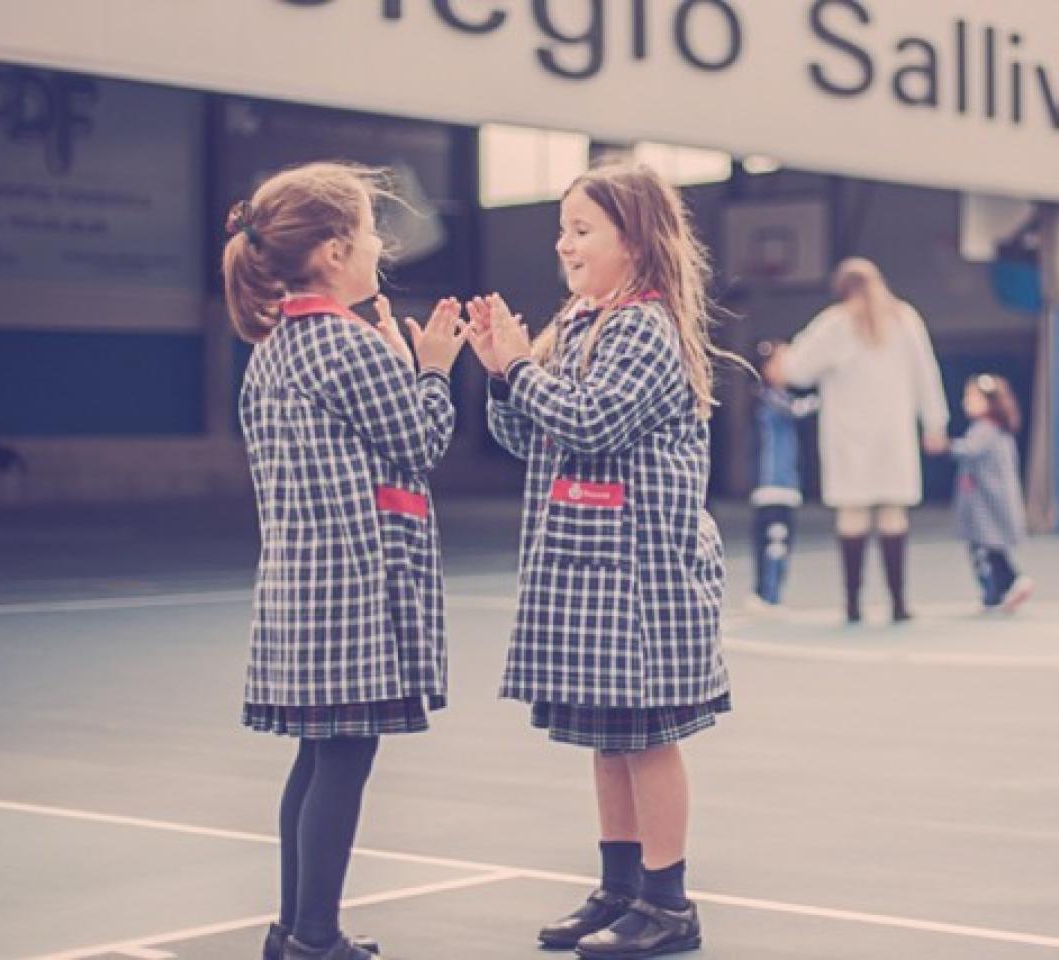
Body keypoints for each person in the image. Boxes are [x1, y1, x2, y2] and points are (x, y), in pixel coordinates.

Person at [467, 161, 733, 959]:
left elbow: (593, 423)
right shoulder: (581, 322)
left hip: (643, 574)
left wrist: (519, 369)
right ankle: (620, 887)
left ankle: (668, 902)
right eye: (563, 230)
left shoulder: (645, 328)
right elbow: (532, 438)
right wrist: (500, 376)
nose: (565, 244)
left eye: (583, 230)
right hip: (590, 573)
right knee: (608, 737)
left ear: (637, 240)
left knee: (649, 737)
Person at [225, 162, 467, 960]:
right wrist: (428, 362)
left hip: (300, 585)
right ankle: (316, 936)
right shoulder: (344, 344)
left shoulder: (273, 349)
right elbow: (422, 441)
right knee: (344, 759)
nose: (376, 247)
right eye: (367, 233)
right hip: (354, 586)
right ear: (332, 251)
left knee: (316, 755)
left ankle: (293, 929)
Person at [772, 258, 949, 624]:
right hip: (894, 433)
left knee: (852, 514)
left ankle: (853, 604)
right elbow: (926, 374)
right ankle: (898, 603)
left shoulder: (835, 323)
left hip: (849, 435)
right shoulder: (905, 319)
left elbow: (797, 369)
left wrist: (781, 358)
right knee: (892, 513)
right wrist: (935, 423)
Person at [952, 374, 1034, 612]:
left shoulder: (985, 430)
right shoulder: (999, 430)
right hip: (987, 503)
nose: (966, 402)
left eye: (972, 398)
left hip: (984, 505)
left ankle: (996, 591)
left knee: (983, 552)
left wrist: (945, 446)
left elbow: (967, 450)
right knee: (992, 549)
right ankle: (1003, 588)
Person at [748, 341, 819, 608]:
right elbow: (798, 410)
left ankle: (772, 595)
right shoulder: (766, 396)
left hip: (786, 486)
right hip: (772, 487)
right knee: (773, 543)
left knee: (782, 543)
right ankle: (766, 596)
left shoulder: (780, 396)